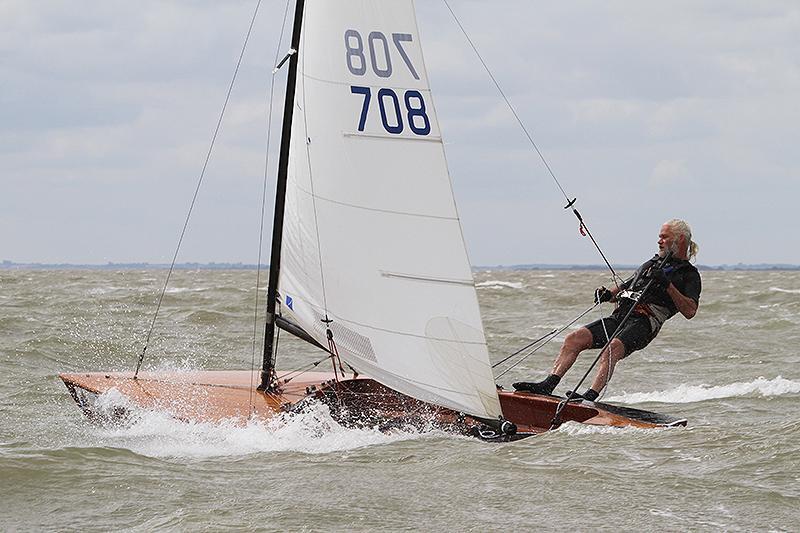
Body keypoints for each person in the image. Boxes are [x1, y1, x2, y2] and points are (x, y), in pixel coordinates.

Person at [513, 219, 701, 402]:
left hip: (645, 323)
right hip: (620, 316)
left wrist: (667, 284)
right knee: (574, 339)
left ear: (681, 240)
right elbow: (624, 286)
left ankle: (590, 396)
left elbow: (690, 311)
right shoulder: (651, 264)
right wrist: (607, 294)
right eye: (660, 237)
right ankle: (548, 384)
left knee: (613, 348)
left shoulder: (689, 275)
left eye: (664, 237)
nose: (659, 241)